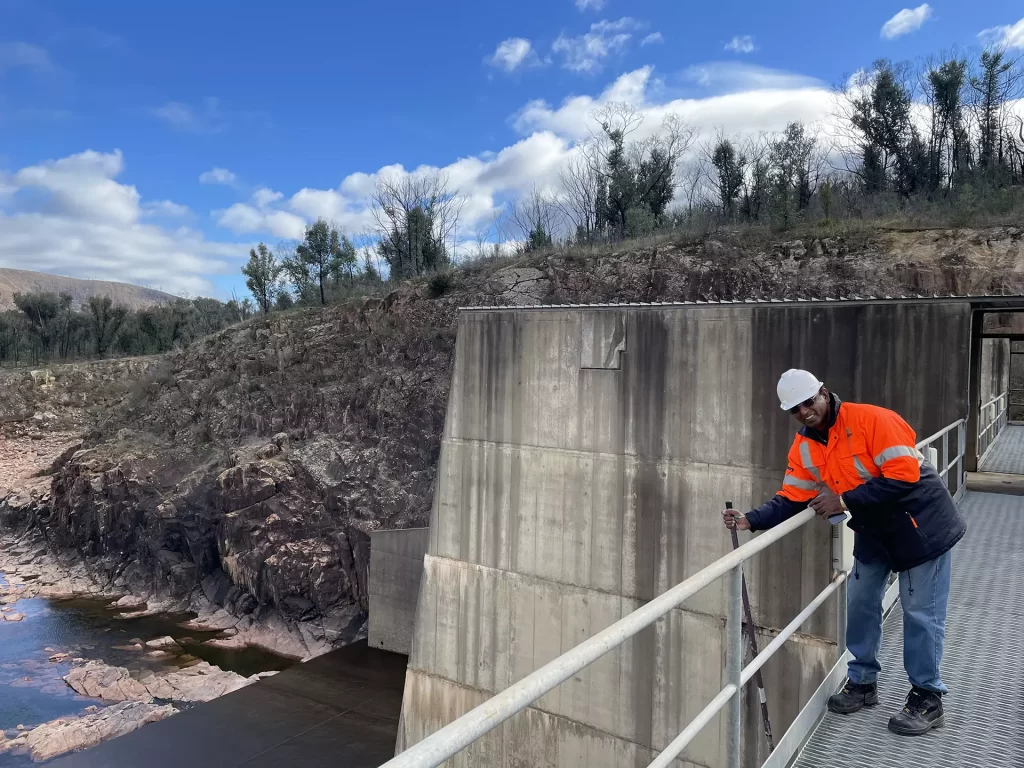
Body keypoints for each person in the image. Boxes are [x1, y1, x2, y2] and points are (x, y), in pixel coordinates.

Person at [722, 369, 966, 737]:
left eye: (809, 402)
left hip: (920, 523)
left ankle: (927, 697)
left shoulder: (873, 420)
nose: (805, 412)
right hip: (875, 526)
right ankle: (863, 683)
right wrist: (749, 520)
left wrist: (844, 499)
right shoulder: (805, 445)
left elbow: (904, 476)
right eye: (796, 409)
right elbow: (792, 496)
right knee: (862, 601)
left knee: (920, 613)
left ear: (824, 392)